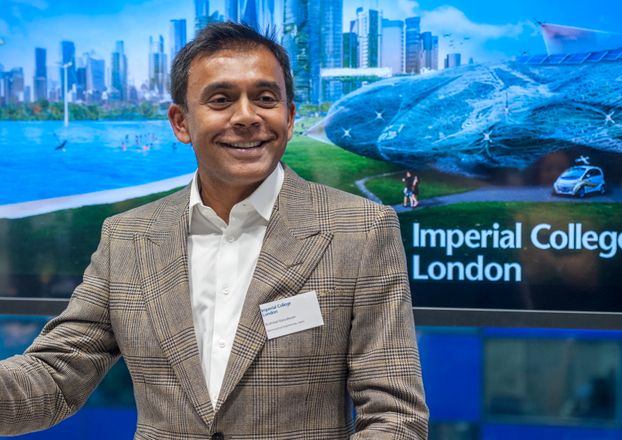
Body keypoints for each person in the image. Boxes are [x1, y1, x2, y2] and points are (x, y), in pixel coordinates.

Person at [0, 23, 428, 439]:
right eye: (221, 100)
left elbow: (396, 417)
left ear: (290, 116)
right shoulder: (127, 238)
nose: (246, 117)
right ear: (181, 122)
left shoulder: (361, 230)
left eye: (265, 98)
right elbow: (54, 377)